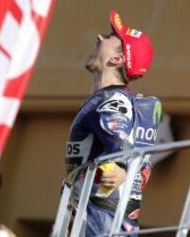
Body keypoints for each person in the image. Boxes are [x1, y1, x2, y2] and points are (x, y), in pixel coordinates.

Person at [65, 10, 161, 236]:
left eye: (109, 36)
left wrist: (121, 169)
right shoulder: (118, 100)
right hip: (108, 224)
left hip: (100, 225)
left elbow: (122, 148)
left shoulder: (111, 100)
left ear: (117, 59)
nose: (100, 37)